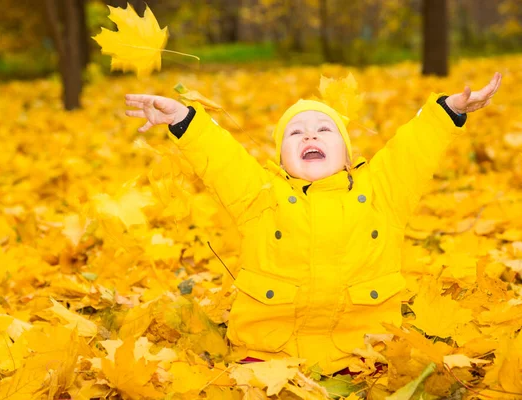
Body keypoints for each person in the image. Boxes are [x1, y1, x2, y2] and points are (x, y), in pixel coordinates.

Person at [124, 72, 502, 374]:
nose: (309, 134)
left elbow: (413, 150)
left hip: (365, 353)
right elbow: (221, 159)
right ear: (280, 158)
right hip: (268, 352)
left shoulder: (383, 192)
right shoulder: (260, 196)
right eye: (295, 132)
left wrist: (446, 111)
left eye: (324, 129)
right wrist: (182, 119)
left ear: (348, 156)